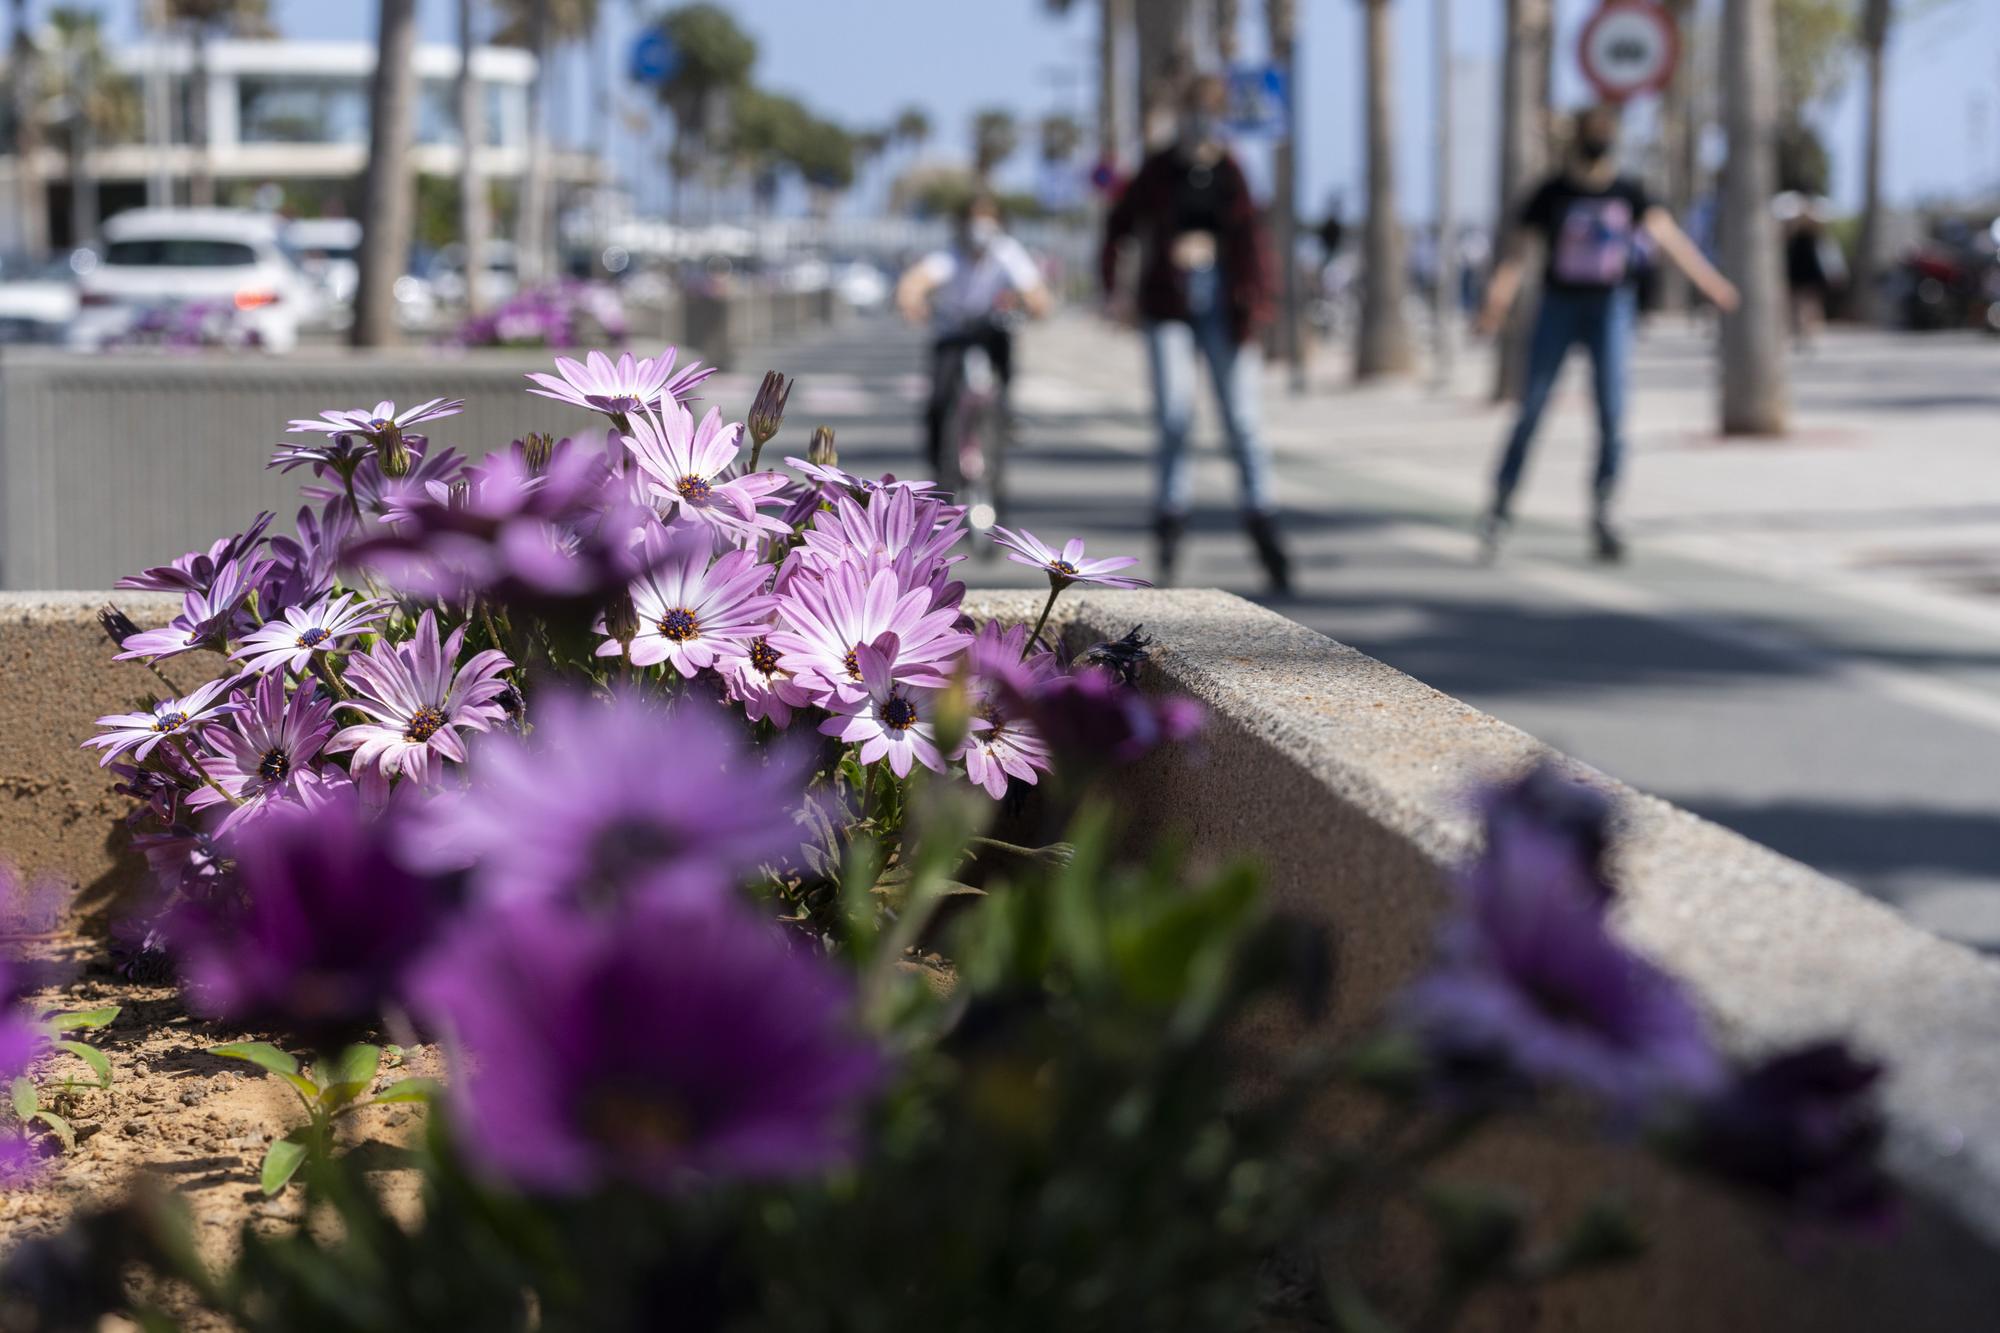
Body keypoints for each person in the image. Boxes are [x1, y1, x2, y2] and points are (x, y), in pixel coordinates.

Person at [1476, 106, 1740, 563]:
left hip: (1611, 308)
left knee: (1614, 415)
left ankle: (1604, 510)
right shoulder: (1551, 192)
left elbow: (1669, 238)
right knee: (1532, 409)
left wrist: (1710, 284)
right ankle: (1500, 507)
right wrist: (1495, 305)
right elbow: (1517, 256)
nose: (1600, 141)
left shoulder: (1629, 190)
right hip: (1558, 307)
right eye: (1594, 133)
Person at [1101, 72, 1290, 594]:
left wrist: (1261, 306)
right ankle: (1170, 523)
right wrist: (1114, 288)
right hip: (1169, 304)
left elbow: (1252, 240)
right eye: (1193, 109)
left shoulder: (1232, 170)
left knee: (1244, 421)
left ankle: (1265, 526)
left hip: (1225, 307)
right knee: (1175, 416)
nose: (1200, 120)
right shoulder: (1159, 170)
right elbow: (1118, 224)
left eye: (1211, 110)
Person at [896, 193, 1051, 474]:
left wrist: (1034, 306)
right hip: (953, 333)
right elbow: (914, 282)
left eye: (989, 219)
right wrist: (912, 303)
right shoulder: (949, 256)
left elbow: (1035, 291)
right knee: (939, 398)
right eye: (974, 219)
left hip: (990, 330)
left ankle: (1004, 414)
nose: (981, 227)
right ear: (962, 223)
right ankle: (938, 462)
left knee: (1004, 362)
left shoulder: (1007, 253)